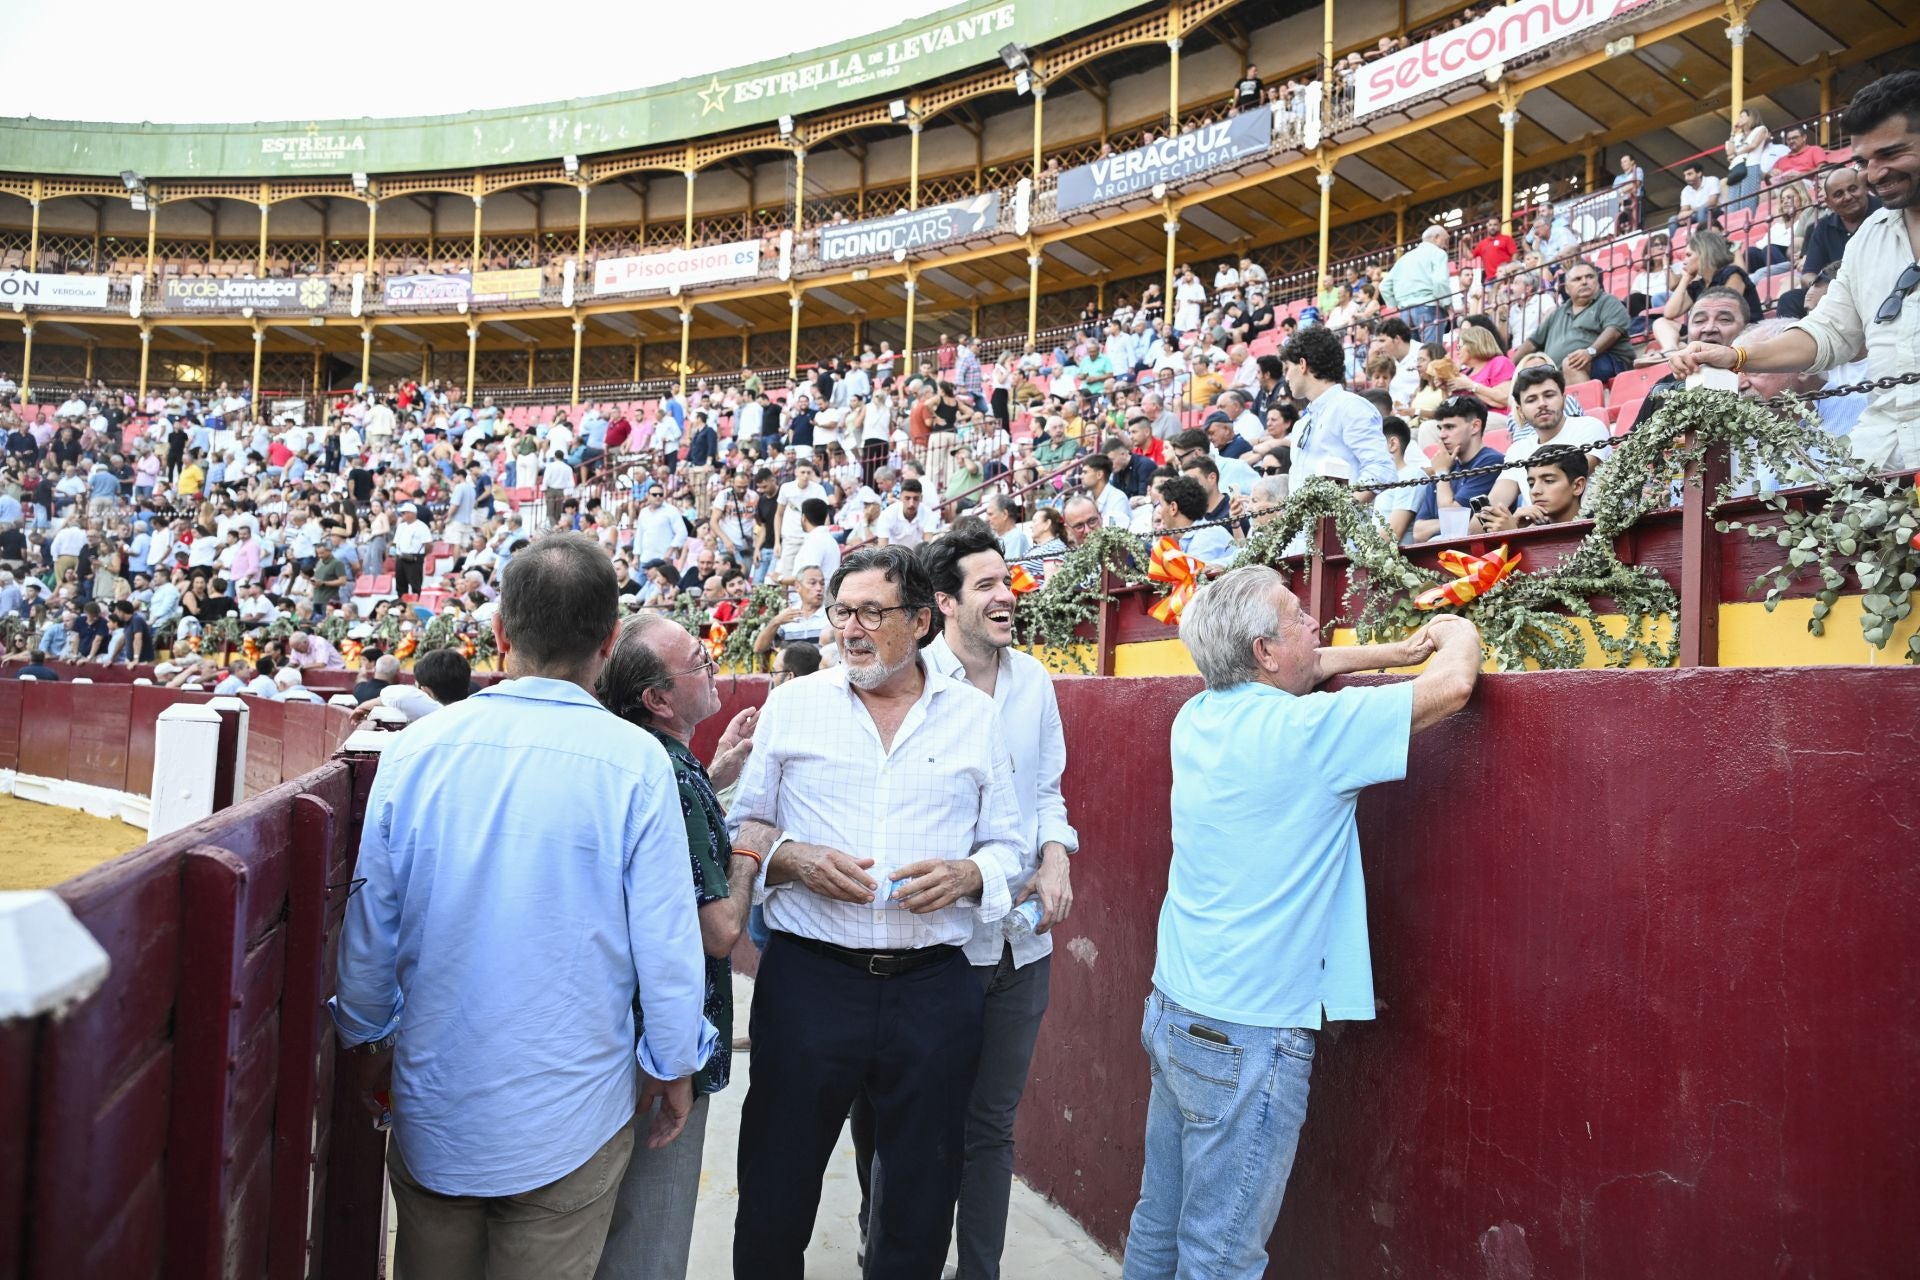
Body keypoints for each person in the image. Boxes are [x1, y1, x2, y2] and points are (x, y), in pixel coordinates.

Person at [331, 534, 715, 1279]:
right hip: (572, 1111)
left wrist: (367, 1035)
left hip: (439, 1097)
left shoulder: (416, 749)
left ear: (500, 633)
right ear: (609, 641)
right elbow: (667, 942)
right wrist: (674, 1065)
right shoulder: (636, 760)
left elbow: (373, 924)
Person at [1122, 567, 1481, 1280]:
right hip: (1250, 1034)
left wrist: (1394, 652)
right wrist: (1455, 630)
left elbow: (1305, 668)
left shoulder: (1197, 715)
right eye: (1297, 615)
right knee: (1220, 1257)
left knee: (1158, 1225)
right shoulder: (1309, 731)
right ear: (1263, 650)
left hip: (1177, 1010)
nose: (1315, 622)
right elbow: (1453, 688)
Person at [726, 545, 1024, 1280]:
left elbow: (1010, 846)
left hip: (933, 989)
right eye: (842, 612)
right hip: (810, 983)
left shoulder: (976, 718)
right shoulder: (795, 705)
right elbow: (746, 824)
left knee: (921, 1201)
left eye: (871, 613)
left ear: (920, 621)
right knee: (774, 1190)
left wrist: (969, 874)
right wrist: (790, 858)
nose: (851, 630)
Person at [914, 520, 1077, 1280]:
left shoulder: (1034, 679)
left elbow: (1047, 791)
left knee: (991, 1128)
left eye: (1006, 580)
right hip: (942, 946)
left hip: (1022, 943)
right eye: (986, 584)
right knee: (914, 1122)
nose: (1005, 594)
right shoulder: (914, 679)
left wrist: (1056, 854)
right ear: (945, 602)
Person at [594, 614, 761, 1280]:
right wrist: (751, 850)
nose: (712, 664)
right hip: (662, 1051)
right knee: (649, 1233)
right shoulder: (672, 775)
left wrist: (715, 773)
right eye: (696, 661)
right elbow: (718, 931)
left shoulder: (640, 757)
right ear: (657, 700)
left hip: (616, 1040)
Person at [1665, 71, 1920, 470]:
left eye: (1891, 154)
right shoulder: (1870, 237)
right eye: (1864, 161)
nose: (1874, 174)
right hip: (1887, 458)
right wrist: (1735, 356)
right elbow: (1828, 333)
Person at [1280, 325, 1396, 487]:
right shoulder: (1302, 423)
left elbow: (1381, 470)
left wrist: (1346, 502)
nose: (1286, 378)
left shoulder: (1351, 407)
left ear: (1302, 364)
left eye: (1287, 368)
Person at [1513, 259, 1631, 382]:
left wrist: (1590, 351)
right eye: (1577, 279)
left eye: (1590, 277)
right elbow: (1532, 342)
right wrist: (1510, 368)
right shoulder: (1558, 313)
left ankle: (1581, 395)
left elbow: (1614, 331)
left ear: (1597, 281)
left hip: (1608, 361)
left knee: (1572, 363)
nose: (1584, 282)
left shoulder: (1608, 301)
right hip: (1558, 372)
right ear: (1567, 288)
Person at [1411, 396, 1504, 543]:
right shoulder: (1444, 464)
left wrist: (1442, 473)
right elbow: (1418, 532)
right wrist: (1458, 521)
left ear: (1475, 426)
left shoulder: (1491, 461)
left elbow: (1452, 522)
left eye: (1450, 427)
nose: (1442, 435)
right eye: (1440, 428)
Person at [1379, 224, 1453, 343]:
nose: (1447, 246)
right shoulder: (1438, 253)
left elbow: (1384, 286)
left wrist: (1395, 306)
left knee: (1413, 352)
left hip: (1405, 313)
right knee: (1431, 351)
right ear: (1436, 237)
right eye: (1446, 240)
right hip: (1429, 308)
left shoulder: (1404, 258)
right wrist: (1448, 305)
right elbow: (1440, 281)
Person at [390, 503, 432, 599]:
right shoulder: (401, 526)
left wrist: (422, 555)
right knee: (400, 582)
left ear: (412, 513)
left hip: (415, 557)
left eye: (404, 513)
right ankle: (401, 601)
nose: (402, 515)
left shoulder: (421, 526)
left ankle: (416, 601)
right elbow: (395, 541)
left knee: (415, 583)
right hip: (401, 556)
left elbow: (428, 544)